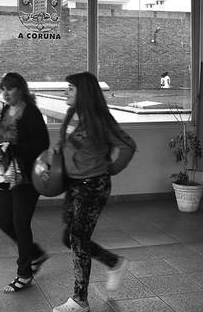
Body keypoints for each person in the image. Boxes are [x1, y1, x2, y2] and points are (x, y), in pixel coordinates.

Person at [52, 71, 137, 312]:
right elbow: (69, 142)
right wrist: (57, 153)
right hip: (74, 183)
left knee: (77, 237)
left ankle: (80, 300)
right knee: (69, 237)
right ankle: (114, 263)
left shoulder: (100, 119)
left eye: (70, 89)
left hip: (93, 186)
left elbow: (128, 145)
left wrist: (112, 169)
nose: (65, 93)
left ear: (84, 93)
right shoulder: (71, 115)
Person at [0, 72, 51, 293]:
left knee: (20, 222)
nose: (5, 93)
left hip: (27, 177)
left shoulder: (32, 112)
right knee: (1, 219)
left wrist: (14, 147)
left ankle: (24, 273)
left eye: (10, 88)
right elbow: (2, 139)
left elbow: (42, 144)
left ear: (21, 90)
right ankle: (35, 254)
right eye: (3, 88)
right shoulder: (6, 109)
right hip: (8, 174)